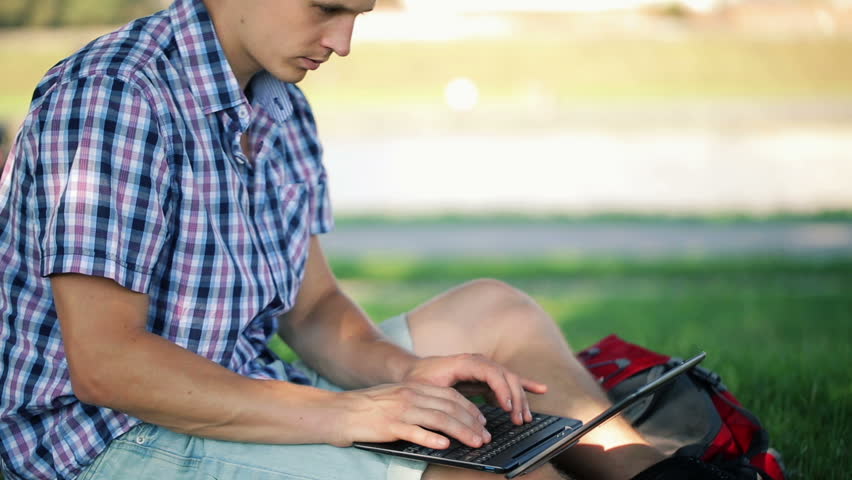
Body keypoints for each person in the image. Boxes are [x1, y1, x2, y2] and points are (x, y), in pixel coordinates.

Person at [0, 1, 738, 480]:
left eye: (359, 13)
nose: (343, 42)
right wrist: (351, 414)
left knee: (497, 311)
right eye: (327, 8)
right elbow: (108, 367)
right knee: (478, 468)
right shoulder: (115, 96)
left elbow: (316, 311)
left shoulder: (280, 104)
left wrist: (406, 373)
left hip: (241, 385)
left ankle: (647, 472)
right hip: (101, 440)